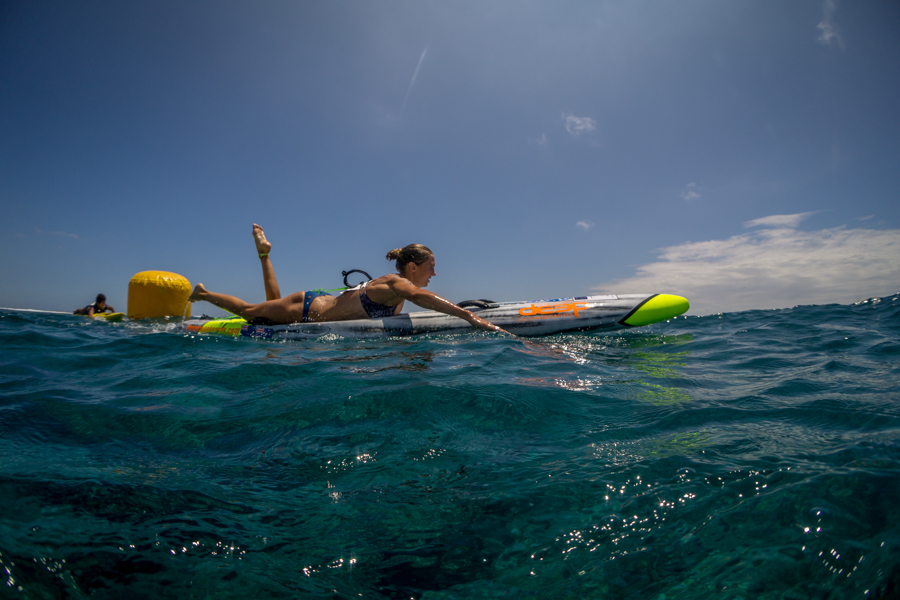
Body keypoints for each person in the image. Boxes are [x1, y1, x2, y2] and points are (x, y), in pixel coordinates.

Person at [187, 224, 509, 334]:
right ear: (411, 267)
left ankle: (264, 254)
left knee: (267, 309)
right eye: (431, 267)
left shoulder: (398, 290)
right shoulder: (397, 285)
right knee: (250, 311)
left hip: (312, 315)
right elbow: (421, 298)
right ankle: (203, 293)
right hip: (306, 307)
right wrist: (469, 317)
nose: (435, 274)